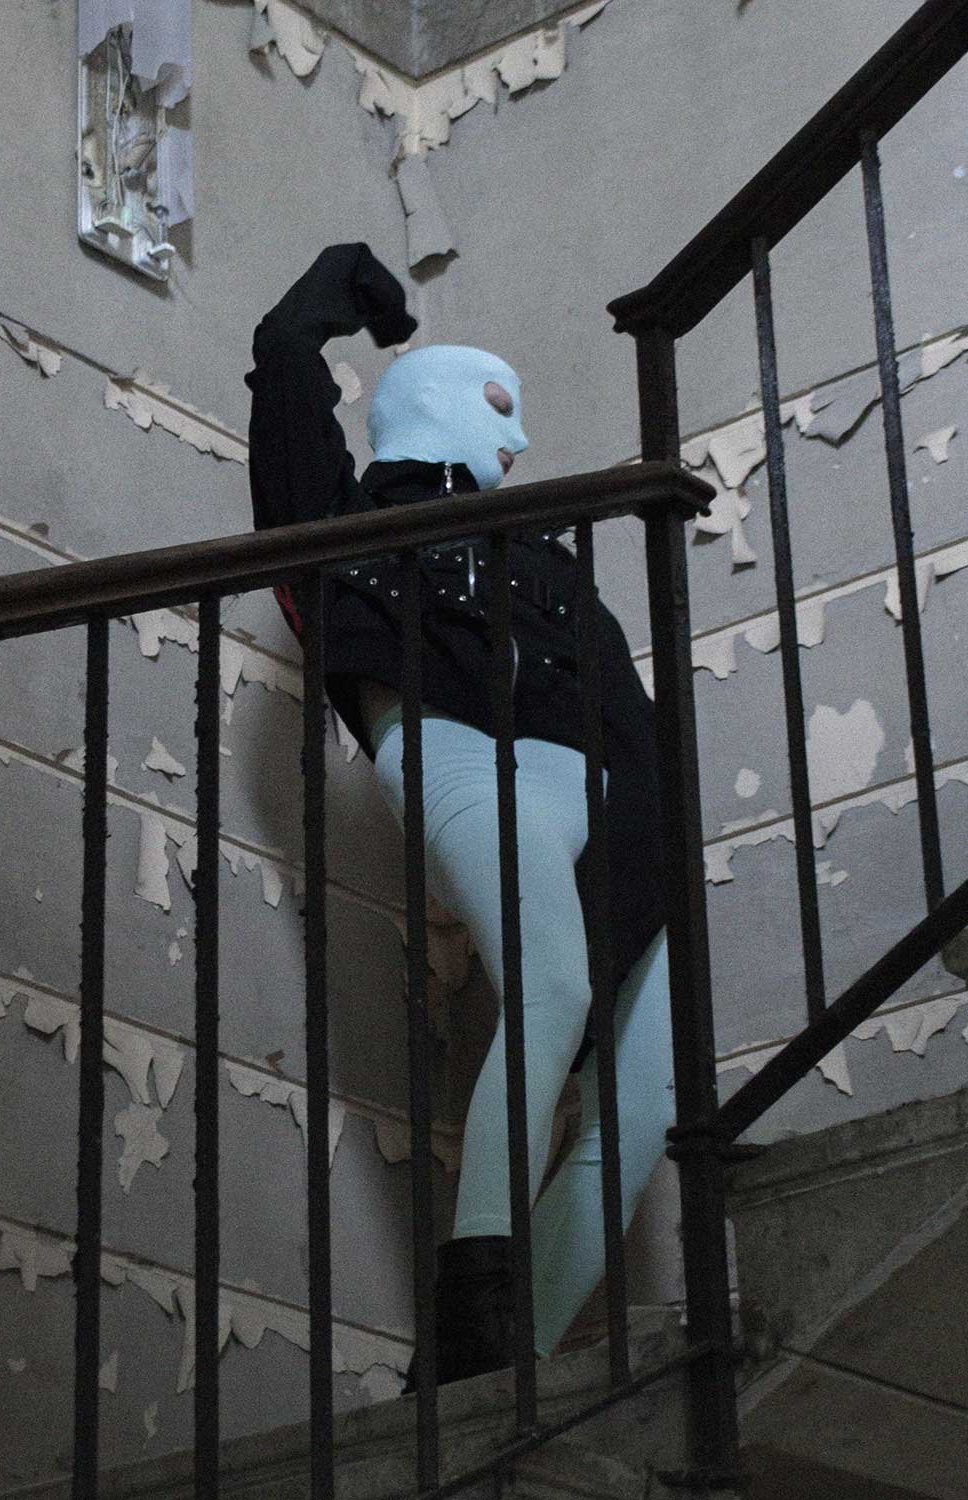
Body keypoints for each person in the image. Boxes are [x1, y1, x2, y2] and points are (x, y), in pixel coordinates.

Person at [243, 242, 679, 1386]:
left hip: (593, 783)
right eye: (497, 405)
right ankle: (474, 1294)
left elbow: (630, 718)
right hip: (458, 751)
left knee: (648, 1095)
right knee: (553, 987)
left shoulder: (550, 556)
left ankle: (500, 1366)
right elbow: (282, 360)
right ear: (431, 402)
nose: (520, 439)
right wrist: (357, 293)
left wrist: (654, 870)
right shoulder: (352, 521)